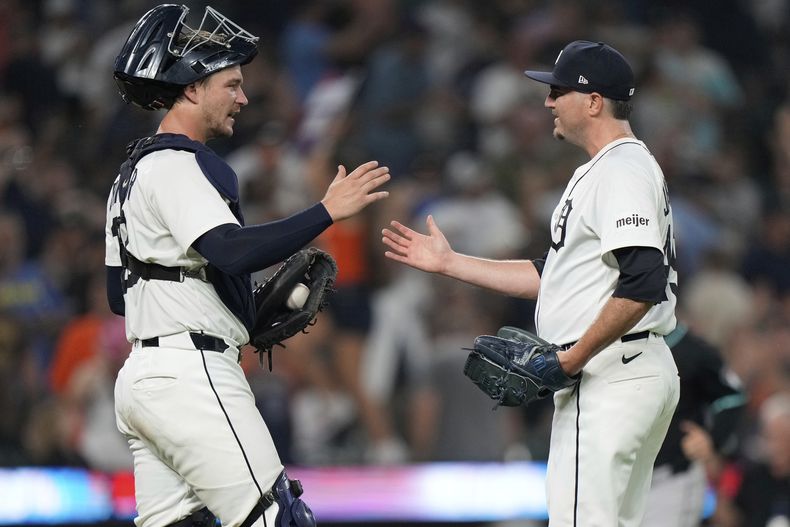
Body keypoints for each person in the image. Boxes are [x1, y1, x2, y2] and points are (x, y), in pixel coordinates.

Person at [105, 5, 389, 527]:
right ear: (191, 88)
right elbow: (232, 250)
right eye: (231, 84)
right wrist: (328, 210)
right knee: (279, 519)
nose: (244, 97)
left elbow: (119, 297)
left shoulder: (131, 172)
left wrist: (233, 310)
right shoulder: (177, 162)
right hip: (192, 376)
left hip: (144, 378)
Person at [382, 40, 680, 526]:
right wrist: (452, 263)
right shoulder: (613, 168)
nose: (548, 103)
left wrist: (571, 358)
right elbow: (555, 275)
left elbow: (642, 283)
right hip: (629, 367)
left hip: (611, 371)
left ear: (593, 102)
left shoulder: (621, 168)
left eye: (558, 91)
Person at [641, 323, 746, 527]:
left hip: (670, 478)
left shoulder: (691, 349)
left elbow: (732, 395)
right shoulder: (607, 340)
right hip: (618, 476)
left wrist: (711, 437)